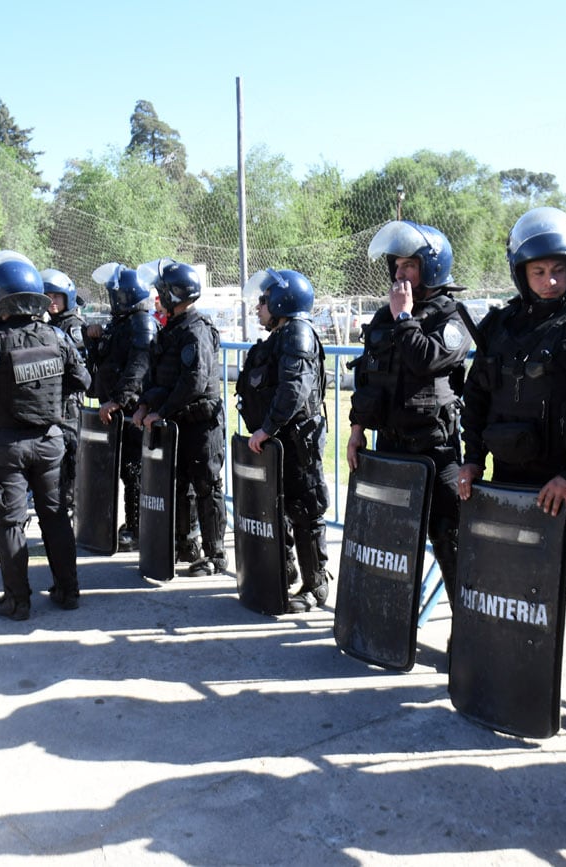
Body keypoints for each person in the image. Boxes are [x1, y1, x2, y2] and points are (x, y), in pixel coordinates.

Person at [458, 207, 566, 741]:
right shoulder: (501, 325)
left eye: (559, 270)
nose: (551, 280)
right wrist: (471, 458)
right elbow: (477, 398)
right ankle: (514, 675)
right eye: (539, 271)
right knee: (513, 580)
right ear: (521, 272)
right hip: (515, 479)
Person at [0, 254, 91, 620]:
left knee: (10, 521)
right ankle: (67, 590)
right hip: (50, 441)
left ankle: (17, 601)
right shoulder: (56, 337)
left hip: (5, 445)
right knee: (55, 516)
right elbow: (84, 381)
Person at [348, 220, 470, 607]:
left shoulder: (452, 317)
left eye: (410, 267)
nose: (400, 275)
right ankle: (388, 623)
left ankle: (466, 632)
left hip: (434, 449)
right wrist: (356, 431)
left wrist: (405, 317)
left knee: (449, 539)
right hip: (390, 446)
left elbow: (426, 361)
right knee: (390, 538)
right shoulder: (386, 317)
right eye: (397, 266)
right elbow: (368, 379)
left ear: (430, 268)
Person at [237, 268, 332, 612]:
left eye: (263, 300)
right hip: (279, 441)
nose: (258, 307)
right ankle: (285, 571)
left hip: (296, 441)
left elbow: (295, 389)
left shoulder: (297, 334)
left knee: (305, 509)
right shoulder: (280, 336)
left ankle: (315, 584)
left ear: (281, 300)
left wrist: (268, 428)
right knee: (279, 507)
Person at [133, 259, 228, 576]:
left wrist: (162, 410)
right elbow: (156, 375)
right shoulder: (170, 330)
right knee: (181, 486)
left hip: (201, 425)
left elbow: (194, 381)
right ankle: (186, 545)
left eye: (162, 291)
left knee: (207, 487)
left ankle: (215, 555)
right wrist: (145, 404)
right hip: (179, 424)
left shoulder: (195, 330)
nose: (158, 297)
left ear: (175, 294)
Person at [86, 264, 159, 551]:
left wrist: (118, 400)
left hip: (130, 410)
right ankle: (124, 524)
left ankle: (137, 527)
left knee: (133, 470)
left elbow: (138, 367)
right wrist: (92, 340)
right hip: (117, 410)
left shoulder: (141, 322)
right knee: (123, 469)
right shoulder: (122, 323)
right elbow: (104, 363)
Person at [42, 269, 86, 519]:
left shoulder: (72, 327)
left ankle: (70, 501)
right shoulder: (48, 325)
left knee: (70, 451)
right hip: (51, 399)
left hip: (68, 400)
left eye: (57, 296)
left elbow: (80, 366)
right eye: (48, 296)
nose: (52, 301)